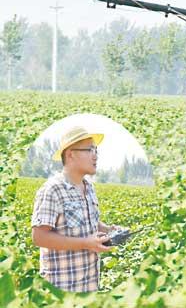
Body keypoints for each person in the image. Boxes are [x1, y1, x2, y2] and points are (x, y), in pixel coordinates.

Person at [31, 125, 122, 292]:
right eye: (89, 150)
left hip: (89, 287)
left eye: (96, 150)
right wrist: (86, 244)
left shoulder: (89, 187)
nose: (95, 155)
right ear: (70, 154)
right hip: (61, 289)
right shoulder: (53, 189)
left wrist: (109, 230)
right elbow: (39, 236)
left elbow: (87, 220)